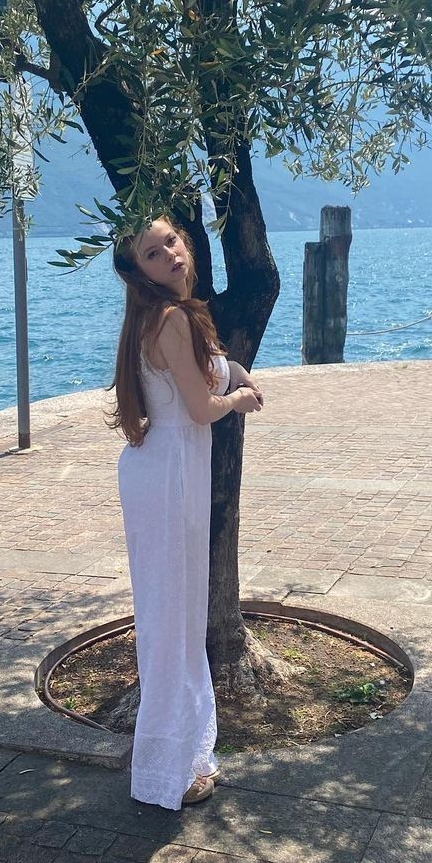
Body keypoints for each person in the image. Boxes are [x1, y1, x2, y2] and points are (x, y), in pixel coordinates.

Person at [108, 216, 263, 809]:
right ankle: (165, 772)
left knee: (172, 616)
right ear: (138, 271)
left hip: (163, 468)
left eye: (170, 241)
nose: (169, 254)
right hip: (172, 472)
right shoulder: (171, 319)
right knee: (173, 621)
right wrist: (240, 397)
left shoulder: (165, 316)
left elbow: (197, 379)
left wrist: (233, 372)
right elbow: (201, 409)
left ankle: (181, 757)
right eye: (152, 253)